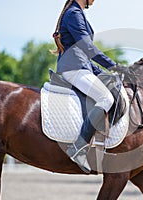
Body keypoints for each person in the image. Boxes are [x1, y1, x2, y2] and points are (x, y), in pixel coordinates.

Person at [52, 0, 116, 173]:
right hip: (73, 68)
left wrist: (105, 73)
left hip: (80, 66)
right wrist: (113, 65)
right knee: (106, 98)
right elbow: (87, 47)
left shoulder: (77, 13)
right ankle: (79, 148)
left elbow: (84, 56)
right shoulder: (74, 14)